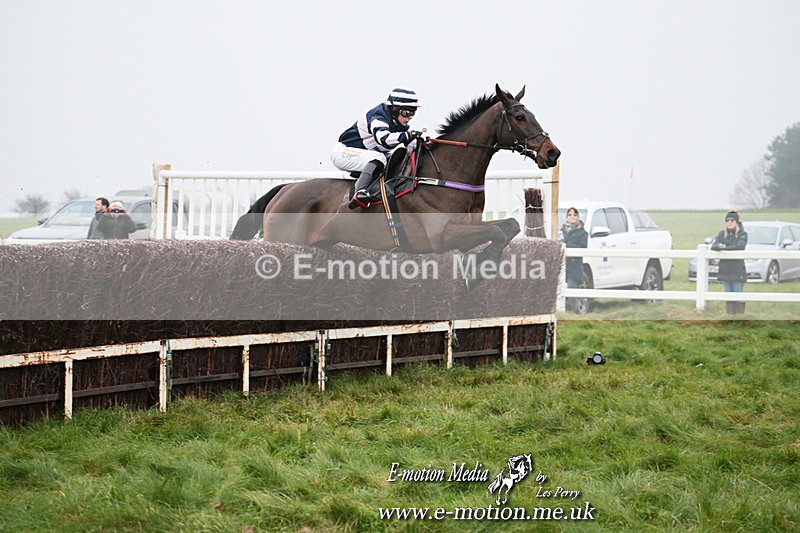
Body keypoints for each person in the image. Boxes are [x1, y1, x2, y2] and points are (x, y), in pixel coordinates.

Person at [331, 87, 423, 209]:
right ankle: (360, 192)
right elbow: (384, 140)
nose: (410, 117)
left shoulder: (398, 124)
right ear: (394, 109)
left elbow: (412, 146)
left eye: (413, 113)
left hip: (363, 154)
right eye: (406, 112)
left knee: (394, 158)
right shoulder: (378, 116)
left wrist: (423, 142)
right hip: (344, 153)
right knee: (379, 158)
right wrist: (407, 136)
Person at [711, 210, 748, 314]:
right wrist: (720, 246)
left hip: (737, 270)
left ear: (736, 222)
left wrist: (724, 247)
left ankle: (739, 317)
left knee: (738, 295)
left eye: (732, 220)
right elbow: (714, 246)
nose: (729, 222)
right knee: (728, 295)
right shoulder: (722, 234)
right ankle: (730, 316)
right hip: (724, 270)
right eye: (727, 220)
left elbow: (740, 246)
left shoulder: (742, 234)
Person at [561, 207, 588, 313]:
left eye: (574, 215)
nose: (572, 217)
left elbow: (583, 247)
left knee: (572, 288)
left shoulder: (582, 233)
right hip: (562, 266)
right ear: (566, 217)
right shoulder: (561, 231)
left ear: (578, 217)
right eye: (570, 215)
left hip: (574, 266)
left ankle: (575, 312)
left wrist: (566, 245)